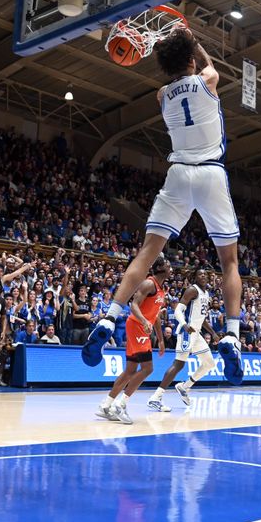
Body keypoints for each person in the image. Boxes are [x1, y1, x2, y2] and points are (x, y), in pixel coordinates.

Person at [83, 26, 243, 382]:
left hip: (178, 174)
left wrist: (177, 47)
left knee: (147, 254)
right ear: (191, 60)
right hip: (210, 173)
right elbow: (210, 66)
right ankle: (232, 334)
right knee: (228, 260)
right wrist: (193, 39)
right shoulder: (208, 79)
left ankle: (109, 315)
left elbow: (177, 73)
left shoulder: (161, 95)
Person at [97, 257, 170, 424]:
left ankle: (106, 405)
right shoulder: (149, 284)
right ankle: (121, 405)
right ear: (159, 268)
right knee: (148, 368)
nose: (170, 267)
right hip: (137, 326)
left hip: (141, 327)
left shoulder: (161, 288)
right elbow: (134, 305)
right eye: (167, 265)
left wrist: (160, 339)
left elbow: (156, 316)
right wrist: (144, 321)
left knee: (130, 370)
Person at [147, 269, 219, 411]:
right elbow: (178, 310)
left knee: (209, 363)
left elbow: (201, 318)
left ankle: (185, 386)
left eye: (205, 274)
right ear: (195, 277)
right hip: (187, 332)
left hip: (196, 333)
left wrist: (213, 333)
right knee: (178, 364)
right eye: (200, 274)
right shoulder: (192, 290)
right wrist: (184, 324)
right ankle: (156, 397)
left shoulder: (206, 294)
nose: (203, 276)